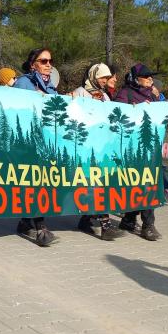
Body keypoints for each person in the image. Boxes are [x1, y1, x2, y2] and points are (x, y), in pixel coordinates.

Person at [114, 63, 168, 241]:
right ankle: (146, 225)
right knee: (138, 184)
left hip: (149, 150)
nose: (151, 79)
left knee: (147, 184)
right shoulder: (124, 94)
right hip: (131, 149)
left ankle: (131, 219)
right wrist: (136, 110)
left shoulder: (153, 96)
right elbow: (117, 117)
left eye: (151, 76)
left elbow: (163, 123)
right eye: (147, 76)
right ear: (136, 79)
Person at [71, 63, 126, 241]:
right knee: (95, 185)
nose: (105, 81)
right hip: (85, 148)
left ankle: (87, 220)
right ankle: (106, 226)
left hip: (101, 147)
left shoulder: (104, 96)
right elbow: (73, 114)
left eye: (106, 78)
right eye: (102, 77)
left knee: (99, 185)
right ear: (94, 76)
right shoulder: (80, 92)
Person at [12, 48, 60, 247]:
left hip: (46, 142)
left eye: (50, 60)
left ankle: (24, 222)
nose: (48, 64)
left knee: (40, 183)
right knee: (36, 182)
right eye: (43, 61)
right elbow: (14, 108)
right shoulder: (24, 83)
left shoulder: (52, 87)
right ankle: (41, 228)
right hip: (28, 143)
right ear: (33, 64)